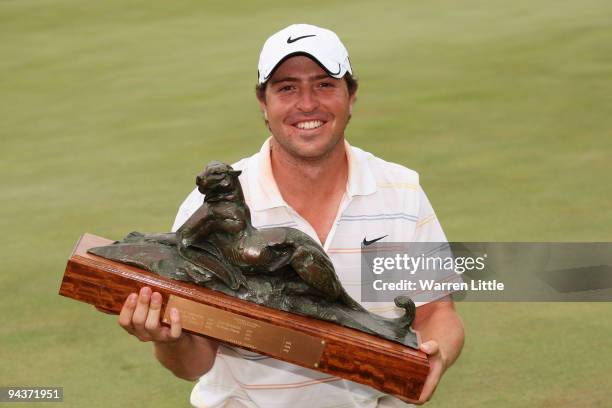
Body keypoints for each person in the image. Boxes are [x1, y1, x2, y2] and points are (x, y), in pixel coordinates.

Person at [117, 24, 465, 408]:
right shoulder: (211, 205)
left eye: (324, 85)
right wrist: (171, 340)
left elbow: (436, 312)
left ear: (351, 96)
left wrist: (438, 355)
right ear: (263, 103)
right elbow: (194, 363)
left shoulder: (401, 190)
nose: (307, 104)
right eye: (287, 88)